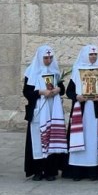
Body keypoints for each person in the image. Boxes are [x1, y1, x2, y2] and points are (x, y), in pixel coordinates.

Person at [66, 44, 98, 181]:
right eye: (90, 54)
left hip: (96, 112)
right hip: (81, 112)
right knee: (79, 139)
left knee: (94, 140)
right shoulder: (77, 70)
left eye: (95, 54)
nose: (93, 57)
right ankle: (77, 172)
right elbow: (69, 91)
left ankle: (94, 171)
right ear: (85, 55)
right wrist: (77, 97)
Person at [23, 45, 66, 181]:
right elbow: (27, 92)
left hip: (52, 109)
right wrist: (41, 92)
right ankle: (37, 170)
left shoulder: (55, 71)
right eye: (46, 58)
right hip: (38, 110)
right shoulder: (31, 72)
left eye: (50, 57)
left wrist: (58, 89)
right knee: (37, 139)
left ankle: (50, 170)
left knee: (51, 138)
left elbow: (62, 88)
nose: (48, 60)